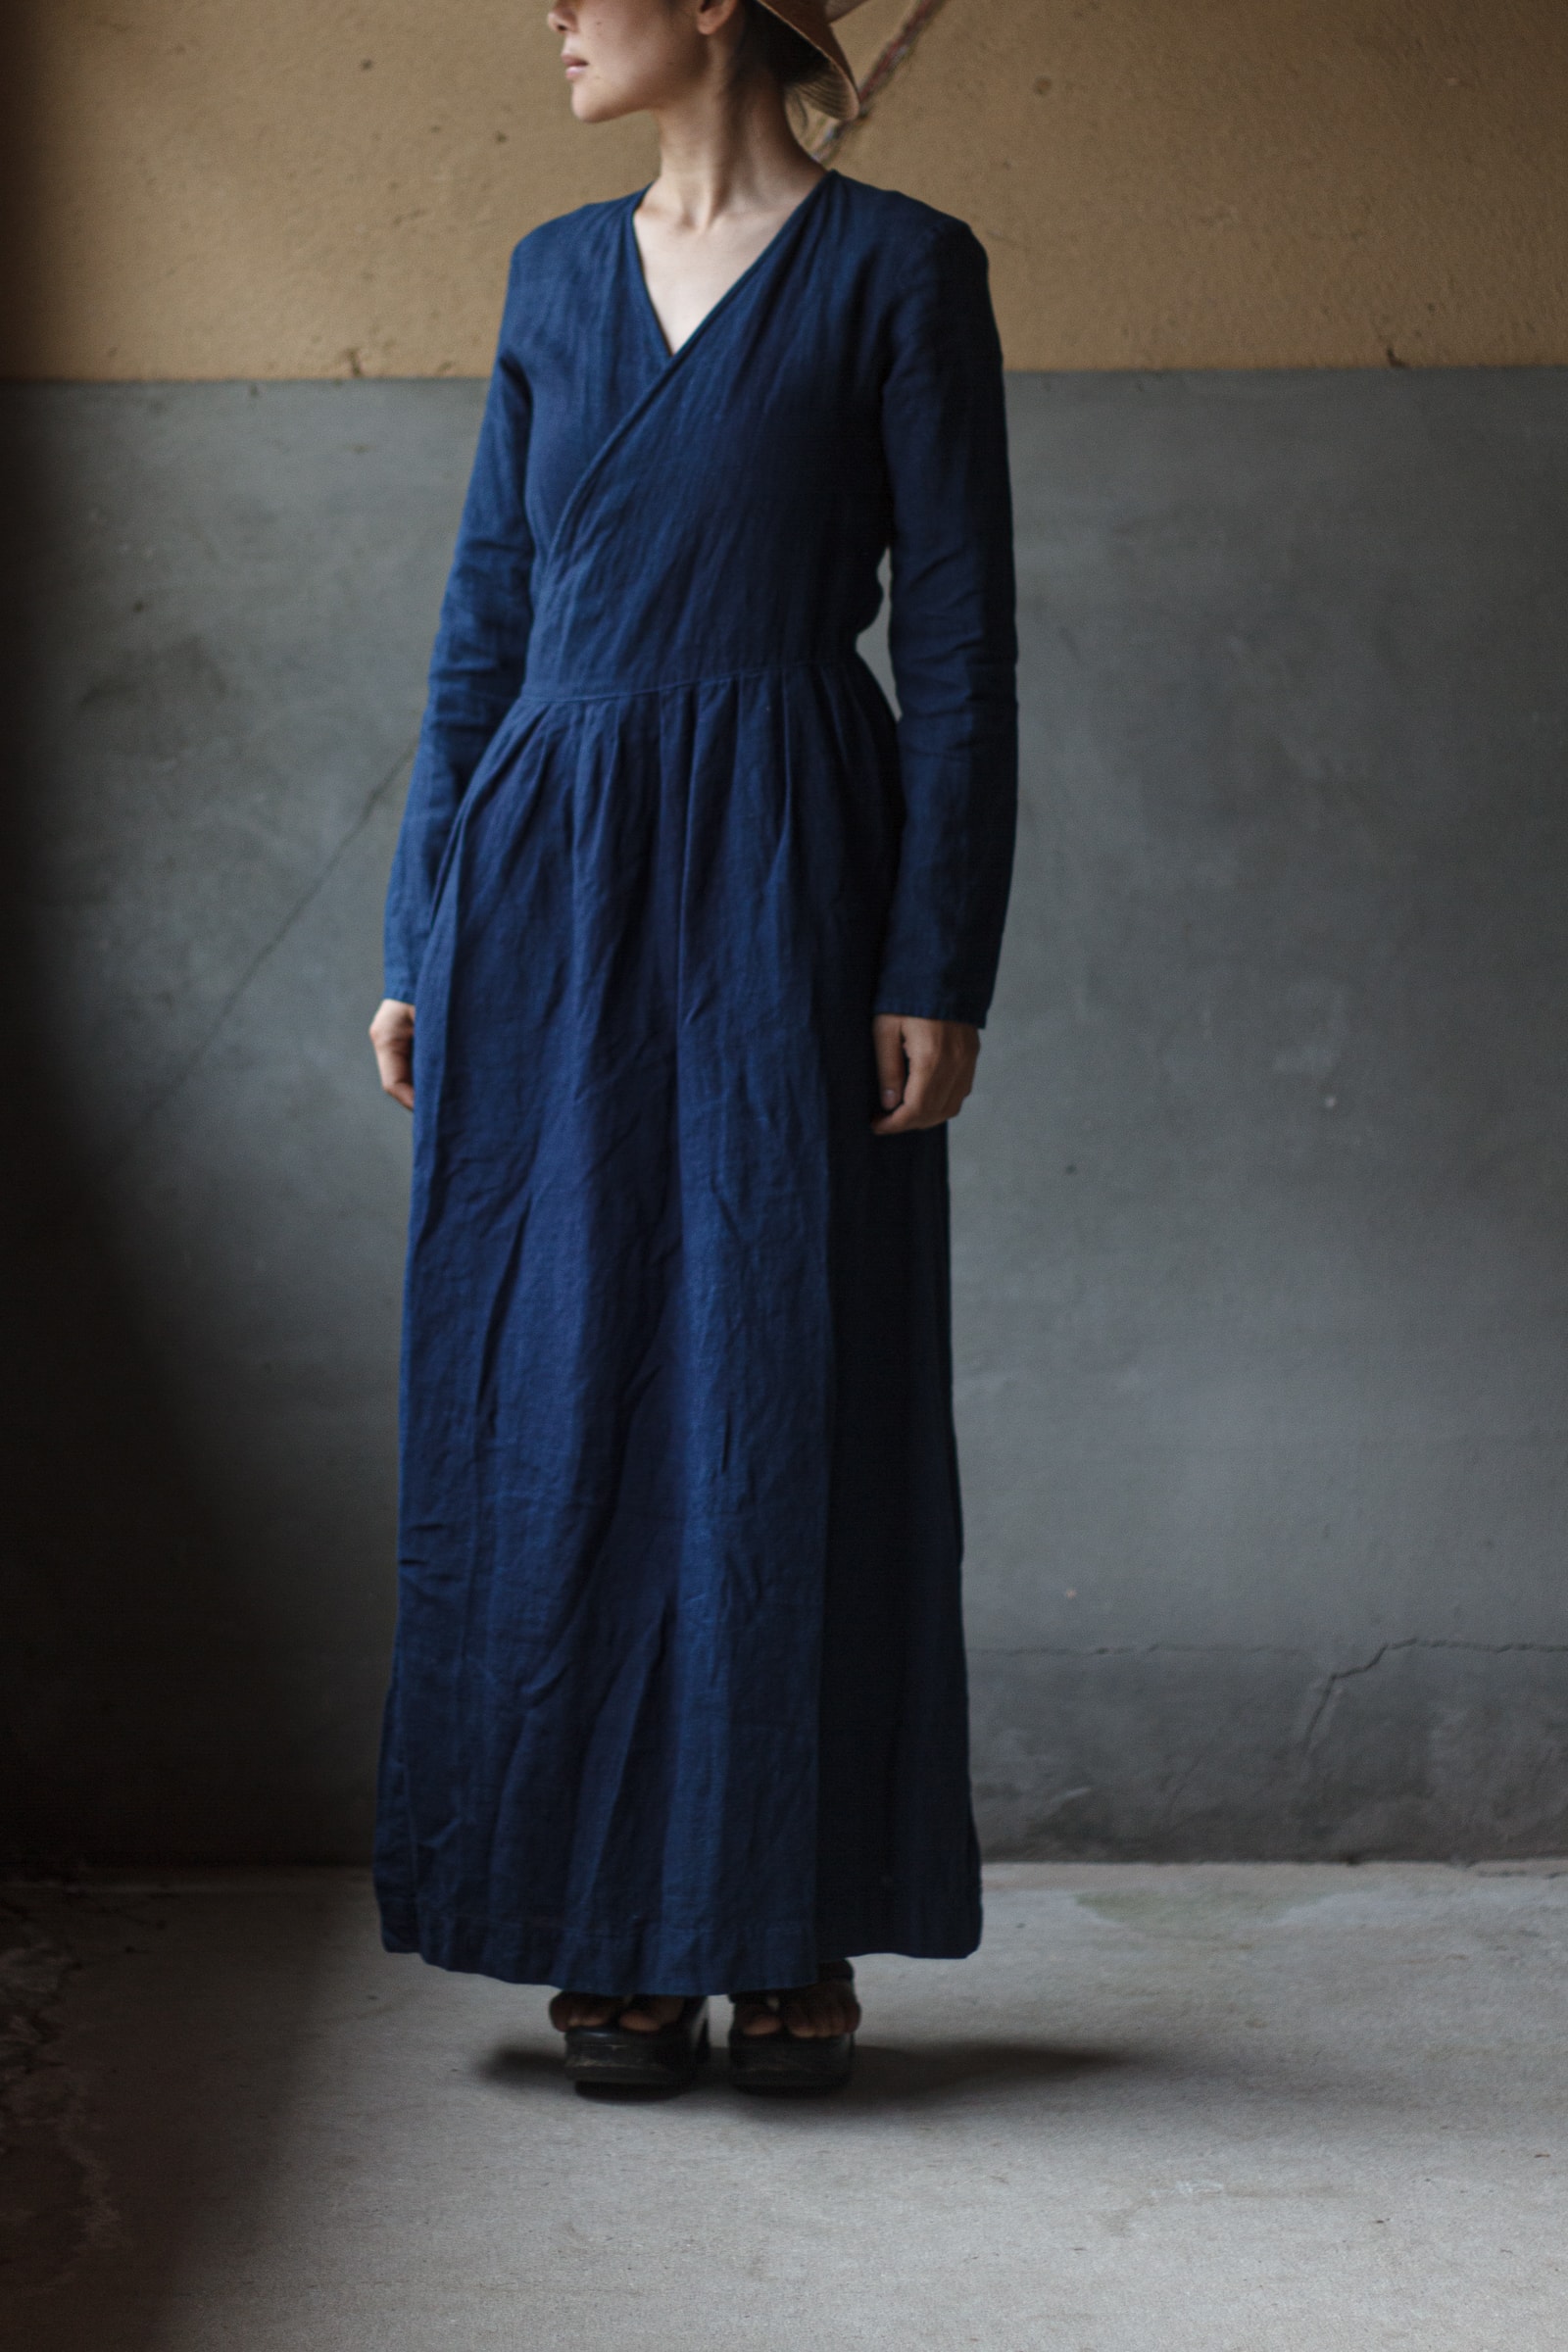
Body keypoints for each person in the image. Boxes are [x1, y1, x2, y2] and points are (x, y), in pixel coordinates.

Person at [368, 0, 1016, 2094]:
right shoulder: (550, 277)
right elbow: (484, 619)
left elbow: (964, 639)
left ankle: (784, 1910)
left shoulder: (903, 269)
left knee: (783, 1372)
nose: (551, 17)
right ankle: (607, 1919)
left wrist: (938, 954)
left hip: (791, 875)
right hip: (550, 887)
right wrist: (423, 929)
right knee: (564, 1382)